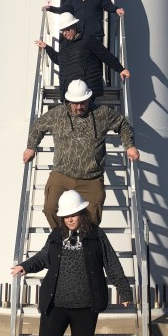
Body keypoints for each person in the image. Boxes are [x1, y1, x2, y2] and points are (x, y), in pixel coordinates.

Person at [9, 189, 134, 336]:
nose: (69, 219)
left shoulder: (96, 235)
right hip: (56, 301)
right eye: (66, 215)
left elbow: (112, 263)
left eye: (74, 214)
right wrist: (25, 266)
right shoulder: (57, 235)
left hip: (86, 305)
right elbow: (43, 257)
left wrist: (124, 290)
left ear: (82, 213)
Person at [23, 79, 140, 229]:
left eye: (83, 102)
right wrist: (31, 147)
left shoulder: (102, 113)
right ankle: (63, 240)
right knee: (50, 208)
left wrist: (129, 146)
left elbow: (122, 124)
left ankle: (85, 245)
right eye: (75, 103)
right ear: (68, 100)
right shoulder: (57, 114)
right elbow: (37, 126)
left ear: (89, 98)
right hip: (61, 175)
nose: (79, 107)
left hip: (91, 178)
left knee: (92, 217)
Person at [35, 11, 130, 99]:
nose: (65, 33)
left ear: (74, 26)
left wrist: (120, 69)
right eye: (62, 30)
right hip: (68, 92)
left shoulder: (87, 40)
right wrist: (47, 47)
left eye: (67, 29)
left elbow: (104, 55)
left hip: (86, 91)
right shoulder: (64, 45)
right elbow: (59, 60)